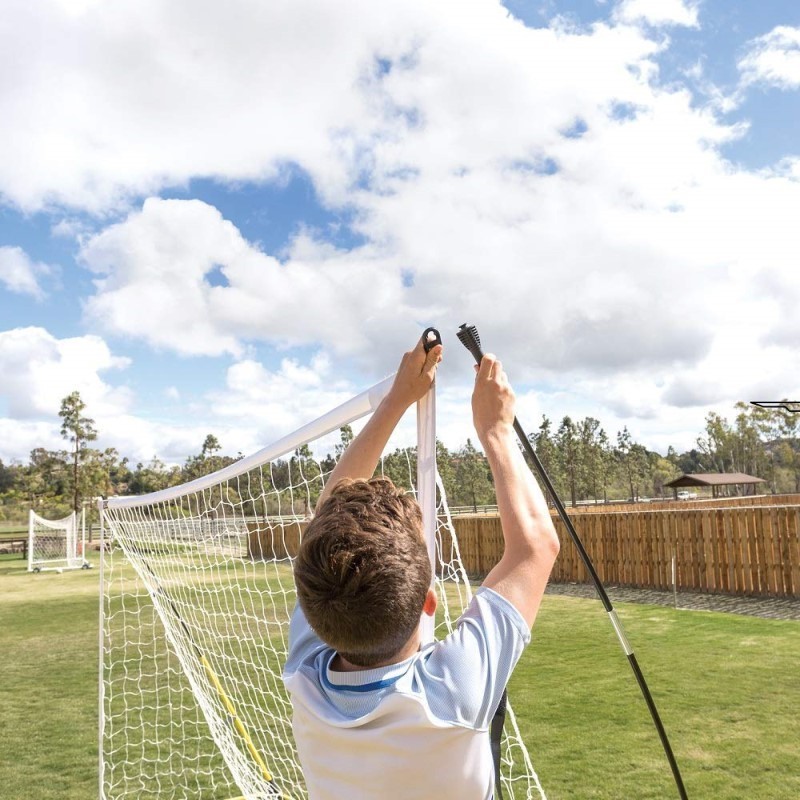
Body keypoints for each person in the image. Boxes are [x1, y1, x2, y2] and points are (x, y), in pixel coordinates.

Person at [283, 334, 560, 800]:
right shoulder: (450, 696)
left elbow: (533, 546)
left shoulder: (305, 675)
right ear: (430, 601)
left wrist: (396, 401)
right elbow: (536, 546)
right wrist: (495, 429)